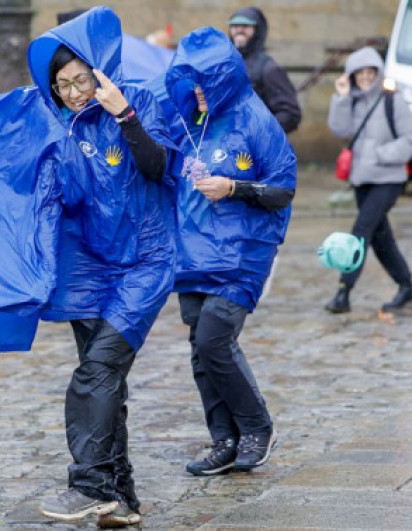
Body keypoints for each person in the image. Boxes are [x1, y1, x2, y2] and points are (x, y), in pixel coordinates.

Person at [0, 7, 174, 527]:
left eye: (81, 81)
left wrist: (124, 115)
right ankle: (121, 497)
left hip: (142, 263)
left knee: (95, 374)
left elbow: (158, 167)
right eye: (63, 84)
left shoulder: (140, 103)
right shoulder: (55, 125)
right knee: (107, 382)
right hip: (88, 268)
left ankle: (90, 486)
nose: (72, 93)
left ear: (102, 75)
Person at [163, 27, 296, 476]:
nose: (197, 91)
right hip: (193, 253)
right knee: (201, 351)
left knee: (214, 339)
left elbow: (283, 189)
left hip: (242, 252)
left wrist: (234, 187)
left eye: (206, 81)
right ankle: (224, 439)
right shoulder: (191, 119)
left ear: (225, 77)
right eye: (190, 81)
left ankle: (257, 427)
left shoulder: (256, 119)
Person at [324, 46, 412, 314]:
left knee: (361, 231)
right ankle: (407, 284)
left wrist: (379, 154)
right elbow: (340, 129)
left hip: (388, 178)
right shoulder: (352, 98)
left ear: (377, 72)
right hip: (362, 180)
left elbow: (409, 141)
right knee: (379, 237)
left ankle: (343, 291)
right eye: (358, 73)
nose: (364, 77)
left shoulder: (391, 99)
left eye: (369, 72)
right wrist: (341, 97)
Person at [227, 6, 302, 133]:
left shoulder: (268, 68)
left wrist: (258, 132)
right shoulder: (226, 64)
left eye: (245, 26)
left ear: (257, 30)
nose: (239, 30)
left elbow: (290, 113)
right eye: (235, 26)